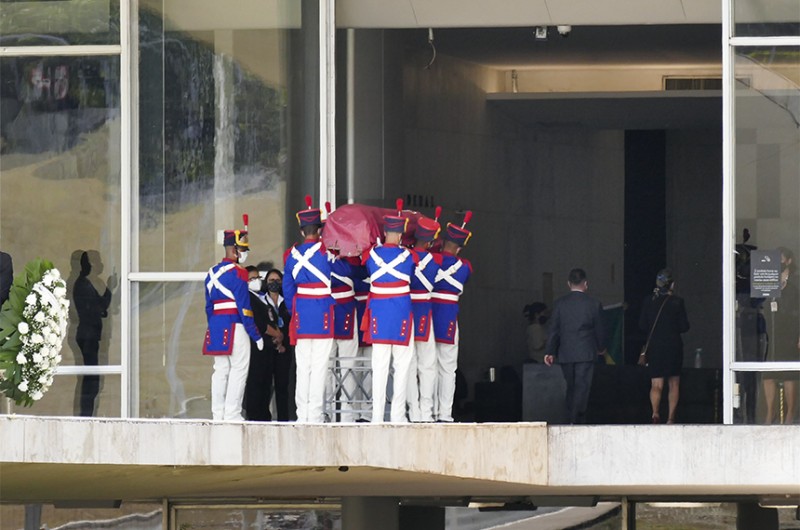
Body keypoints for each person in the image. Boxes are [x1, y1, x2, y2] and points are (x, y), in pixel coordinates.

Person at [362, 199, 416, 423]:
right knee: (402, 367)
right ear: (401, 232)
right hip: (401, 313)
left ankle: (376, 416)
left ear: (385, 232)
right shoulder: (408, 256)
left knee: (380, 365)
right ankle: (397, 415)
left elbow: (368, 262)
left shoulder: (371, 255)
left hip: (379, 314)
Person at [203, 223, 263, 421]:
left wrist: (214, 326)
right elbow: (245, 309)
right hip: (236, 326)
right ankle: (232, 413)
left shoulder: (211, 273)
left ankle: (217, 413)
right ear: (233, 249)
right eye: (242, 249)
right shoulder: (239, 273)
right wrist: (255, 334)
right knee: (239, 369)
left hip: (217, 326)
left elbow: (209, 307)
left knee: (220, 371)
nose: (245, 253)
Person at [283, 196, 334, 423]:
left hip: (302, 313)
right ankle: (314, 415)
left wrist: (295, 311)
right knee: (320, 366)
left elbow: (287, 289)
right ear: (319, 231)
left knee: (303, 367)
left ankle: (301, 414)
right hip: (322, 311)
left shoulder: (290, 256)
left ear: (302, 231)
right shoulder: (327, 253)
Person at [544, 268, 606, 425]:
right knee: (582, 387)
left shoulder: (559, 304)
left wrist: (550, 351)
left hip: (565, 353)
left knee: (571, 387)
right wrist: (601, 347)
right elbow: (599, 329)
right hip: (585, 353)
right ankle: (577, 420)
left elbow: (554, 330)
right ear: (586, 284)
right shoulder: (594, 304)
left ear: (568, 284)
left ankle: (570, 417)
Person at [431, 211, 473, 423]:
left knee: (428, 366)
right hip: (448, 317)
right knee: (448, 368)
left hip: (428, 316)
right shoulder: (464, 266)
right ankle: (445, 413)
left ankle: (427, 411)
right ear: (460, 247)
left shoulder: (431, 259)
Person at [638, 269, 690, 424]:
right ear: (671, 284)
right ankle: (671, 418)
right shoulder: (677, 302)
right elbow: (684, 326)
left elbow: (642, 325)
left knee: (656, 383)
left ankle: (655, 413)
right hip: (673, 347)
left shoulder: (648, 301)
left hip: (655, 346)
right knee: (674, 383)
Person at [73, 250, 117, 417]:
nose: (101, 265)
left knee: (92, 379)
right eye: (97, 261)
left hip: (90, 336)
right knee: (91, 380)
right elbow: (99, 307)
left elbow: (99, 307)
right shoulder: (82, 284)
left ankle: (88, 415)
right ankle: (86, 416)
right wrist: (109, 289)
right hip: (87, 336)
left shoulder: (85, 284)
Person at [407, 213, 441, 422]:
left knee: (409, 365)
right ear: (429, 241)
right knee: (427, 365)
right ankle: (426, 411)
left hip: (407, 310)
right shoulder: (435, 260)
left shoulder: (405, 256)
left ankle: (414, 411)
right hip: (424, 312)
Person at [763, 247, 799, 424]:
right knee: (768, 374)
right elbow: (761, 305)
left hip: (790, 332)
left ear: (789, 261)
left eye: (782, 259)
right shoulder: (769, 282)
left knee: (788, 374)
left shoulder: (796, 283)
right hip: (773, 333)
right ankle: (771, 412)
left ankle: (790, 414)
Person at [243, 266, 281, 421]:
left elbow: (270, 320)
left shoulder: (261, 298)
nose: (256, 281)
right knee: (255, 385)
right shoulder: (248, 298)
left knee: (266, 386)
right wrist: (277, 333)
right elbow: (259, 323)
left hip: (267, 349)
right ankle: (254, 417)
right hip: (255, 349)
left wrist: (278, 338)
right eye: (251, 279)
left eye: (257, 278)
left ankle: (264, 416)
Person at [263, 268, 294, 421]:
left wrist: (283, 343)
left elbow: (290, 325)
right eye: (271, 280)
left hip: (284, 351)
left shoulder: (286, 302)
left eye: (277, 280)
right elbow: (262, 325)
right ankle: (265, 419)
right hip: (268, 350)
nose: (274, 283)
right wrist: (275, 341)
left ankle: (283, 419)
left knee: (283, 387)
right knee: (266, 386)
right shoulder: (262, 301)